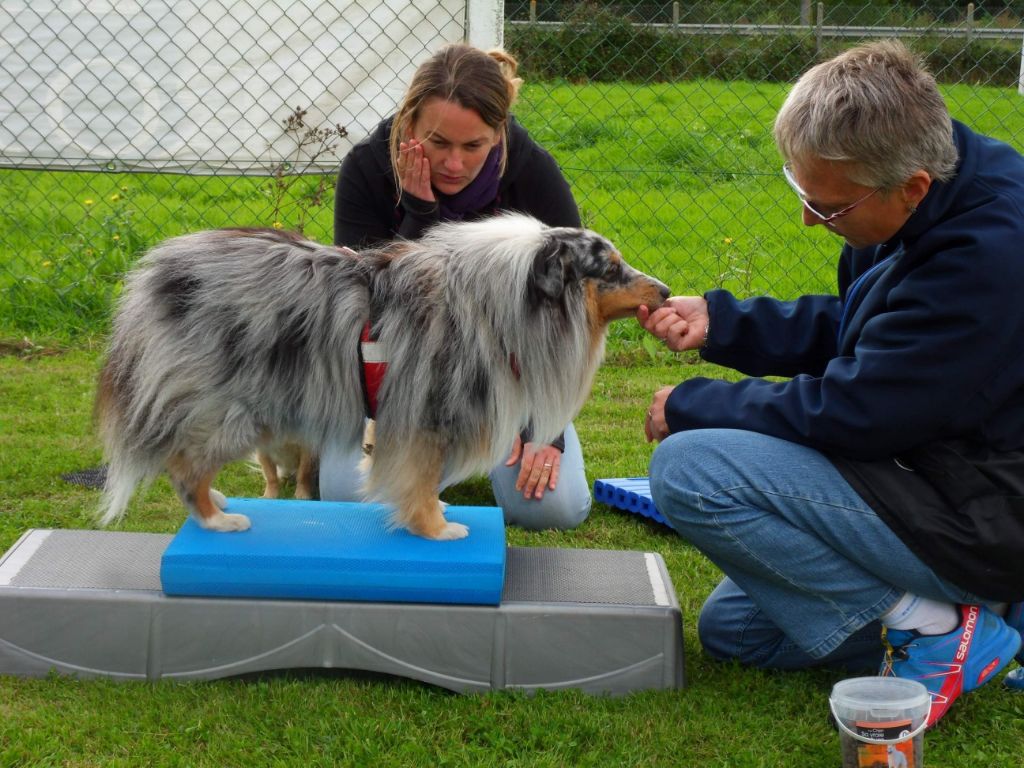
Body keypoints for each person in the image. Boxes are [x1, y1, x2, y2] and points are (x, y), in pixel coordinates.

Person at [637, 40, 1024, 727]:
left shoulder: (989, 253)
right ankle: (980, 621)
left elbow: (862, 408)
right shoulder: (928, 184)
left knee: (692, 469)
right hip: (932, 469)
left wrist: (696, 403)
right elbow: (873, 329)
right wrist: (725, 324)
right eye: (802, 191)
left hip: (985, 509)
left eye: (830, 207)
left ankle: (938, 629)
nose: (809, 219)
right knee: (739, 632)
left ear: (912, 187)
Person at [322, 42, 591, 530]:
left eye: (473, 146)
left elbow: (565, 316)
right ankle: (434, 461)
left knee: (552, 510)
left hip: (508, 382)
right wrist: (420, 214)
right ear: (410, 123)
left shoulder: (532, 174)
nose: (452, 164)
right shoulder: (366, 169)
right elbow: (367, 313)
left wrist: (540, 426)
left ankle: (475, 449)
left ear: (499, 134)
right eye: (438, 142)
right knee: (348, 499)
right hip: (395, 379)